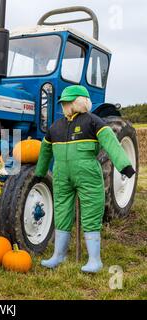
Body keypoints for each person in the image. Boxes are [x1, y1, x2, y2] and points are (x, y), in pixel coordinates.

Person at [35, 85, 136, 273]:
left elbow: (111, 143)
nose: (65, 106)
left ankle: (94, 260)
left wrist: (125, 166)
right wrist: (40, 172)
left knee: (91, 210)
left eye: (68, 102)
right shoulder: (56, 127)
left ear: (78, 102)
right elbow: (45, 150)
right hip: (61, 176)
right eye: (64, 103)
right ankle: (59, 255)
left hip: (88, 173)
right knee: (62, 211)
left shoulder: (93, 122)